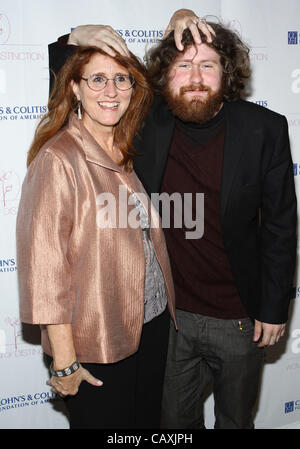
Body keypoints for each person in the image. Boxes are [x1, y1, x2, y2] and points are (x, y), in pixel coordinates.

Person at [48, 10, 297, 429]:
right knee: (173, 427)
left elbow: (279, 226)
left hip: (239, 318)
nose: (195, 76)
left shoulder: (265, 129)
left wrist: (274, 308)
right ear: (166, 77)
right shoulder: (148, 119)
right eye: (183, 65)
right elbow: (81, 89)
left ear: (227, 73)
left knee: (236, 421)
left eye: (207, 65)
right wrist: (75, 35)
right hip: (171, 320)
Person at [16, 45, 177, 429]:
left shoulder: (124, 148)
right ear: (74, 87)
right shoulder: (59, 159)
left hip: (151, 325)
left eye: (121, 79)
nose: (111, 90)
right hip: (98, 341)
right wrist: (66, 361)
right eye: (98, 79)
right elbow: (45, 270)